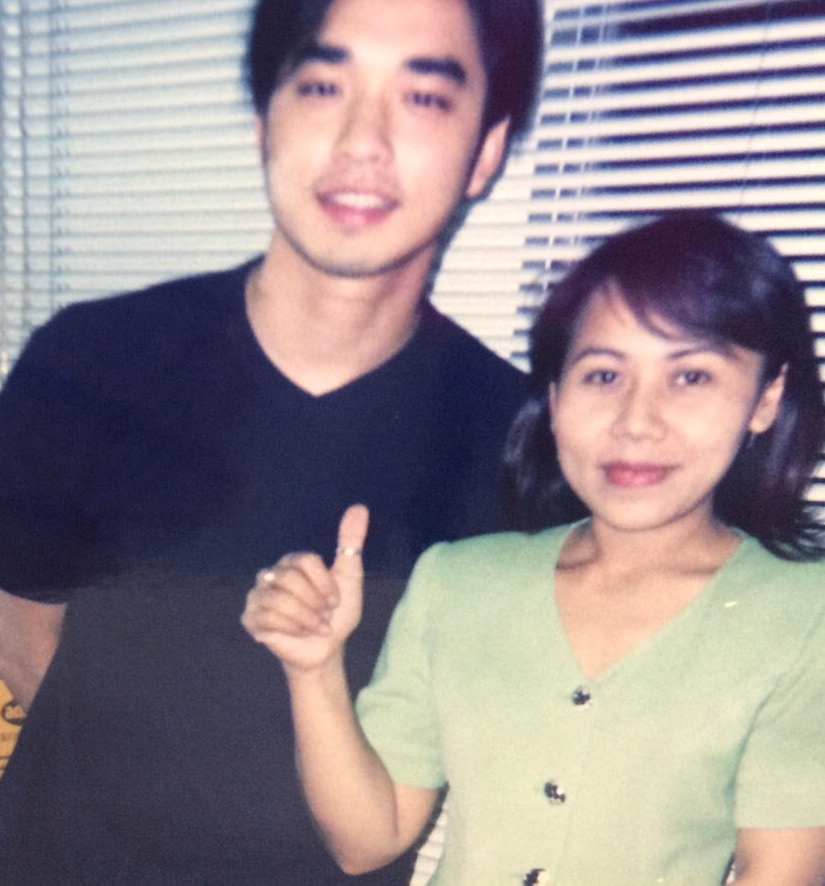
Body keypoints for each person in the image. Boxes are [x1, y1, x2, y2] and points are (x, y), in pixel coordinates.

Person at [0, 0, 545, 884]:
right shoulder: (87, 364)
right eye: (322, 86)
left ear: (486, 151)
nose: (362, 143)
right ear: (263, 118)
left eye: (423, 97)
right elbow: (28, 652)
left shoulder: (517, 442)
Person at [243, 211, 825, 884]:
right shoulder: (457, 582)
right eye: (603, 376)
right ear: (554, 396)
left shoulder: (802, 611)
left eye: (691, 377)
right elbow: (367, 841)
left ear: (765, 399)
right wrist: (314, 671)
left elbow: (781, 872)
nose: (636, 423)